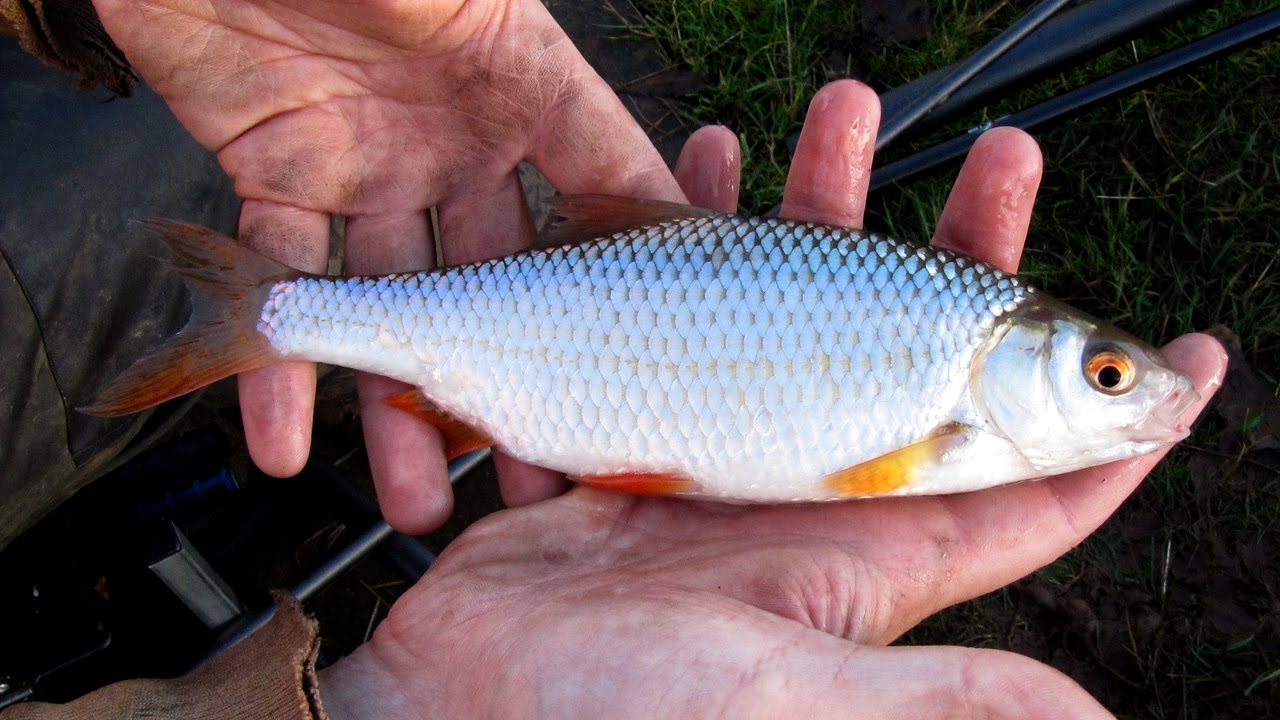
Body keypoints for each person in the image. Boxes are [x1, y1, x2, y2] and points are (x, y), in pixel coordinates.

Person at [0, 0, 1226, 718]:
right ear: (1015, 353)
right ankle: (271, 315)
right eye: (1104, 374)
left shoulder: (960, 403)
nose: (1126, 389)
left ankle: (269, 316)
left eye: (1106, 372)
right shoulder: (949, 412)